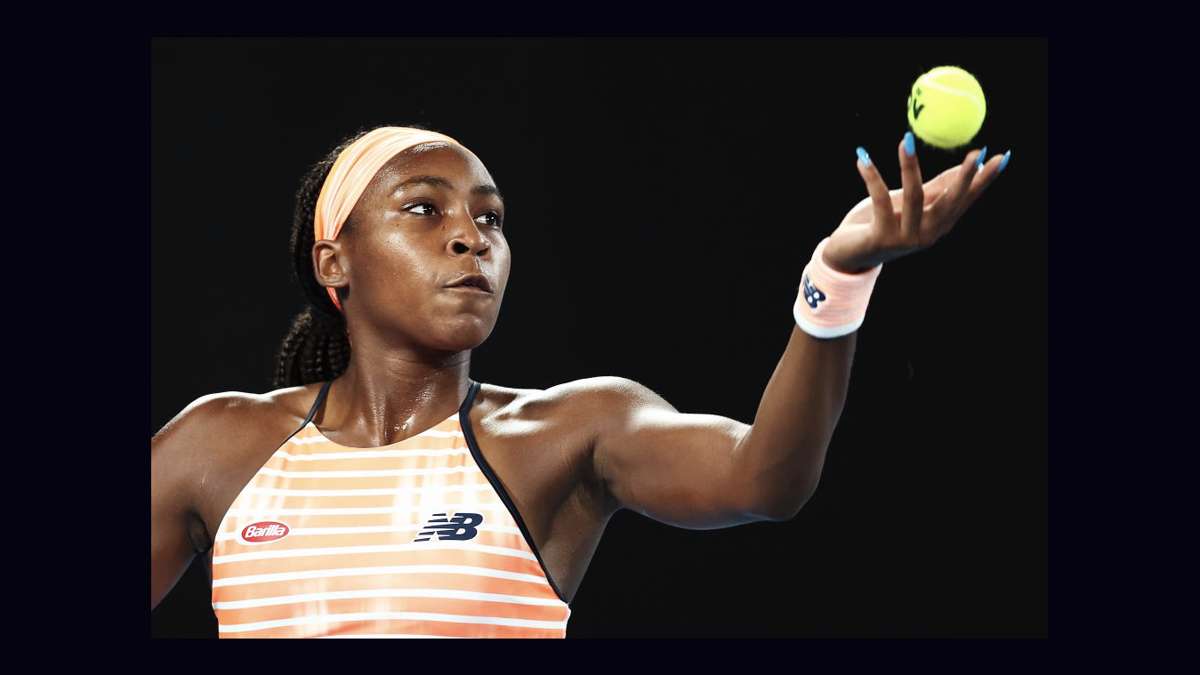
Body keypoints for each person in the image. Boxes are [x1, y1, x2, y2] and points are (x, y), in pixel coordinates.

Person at [151, 124, 1009, 638]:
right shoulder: (217, 445)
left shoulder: (566, 434)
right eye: (424, 208)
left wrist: (838, 276)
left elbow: (765, 479)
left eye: (490, 217)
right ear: (333, 262)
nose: (471, 237)